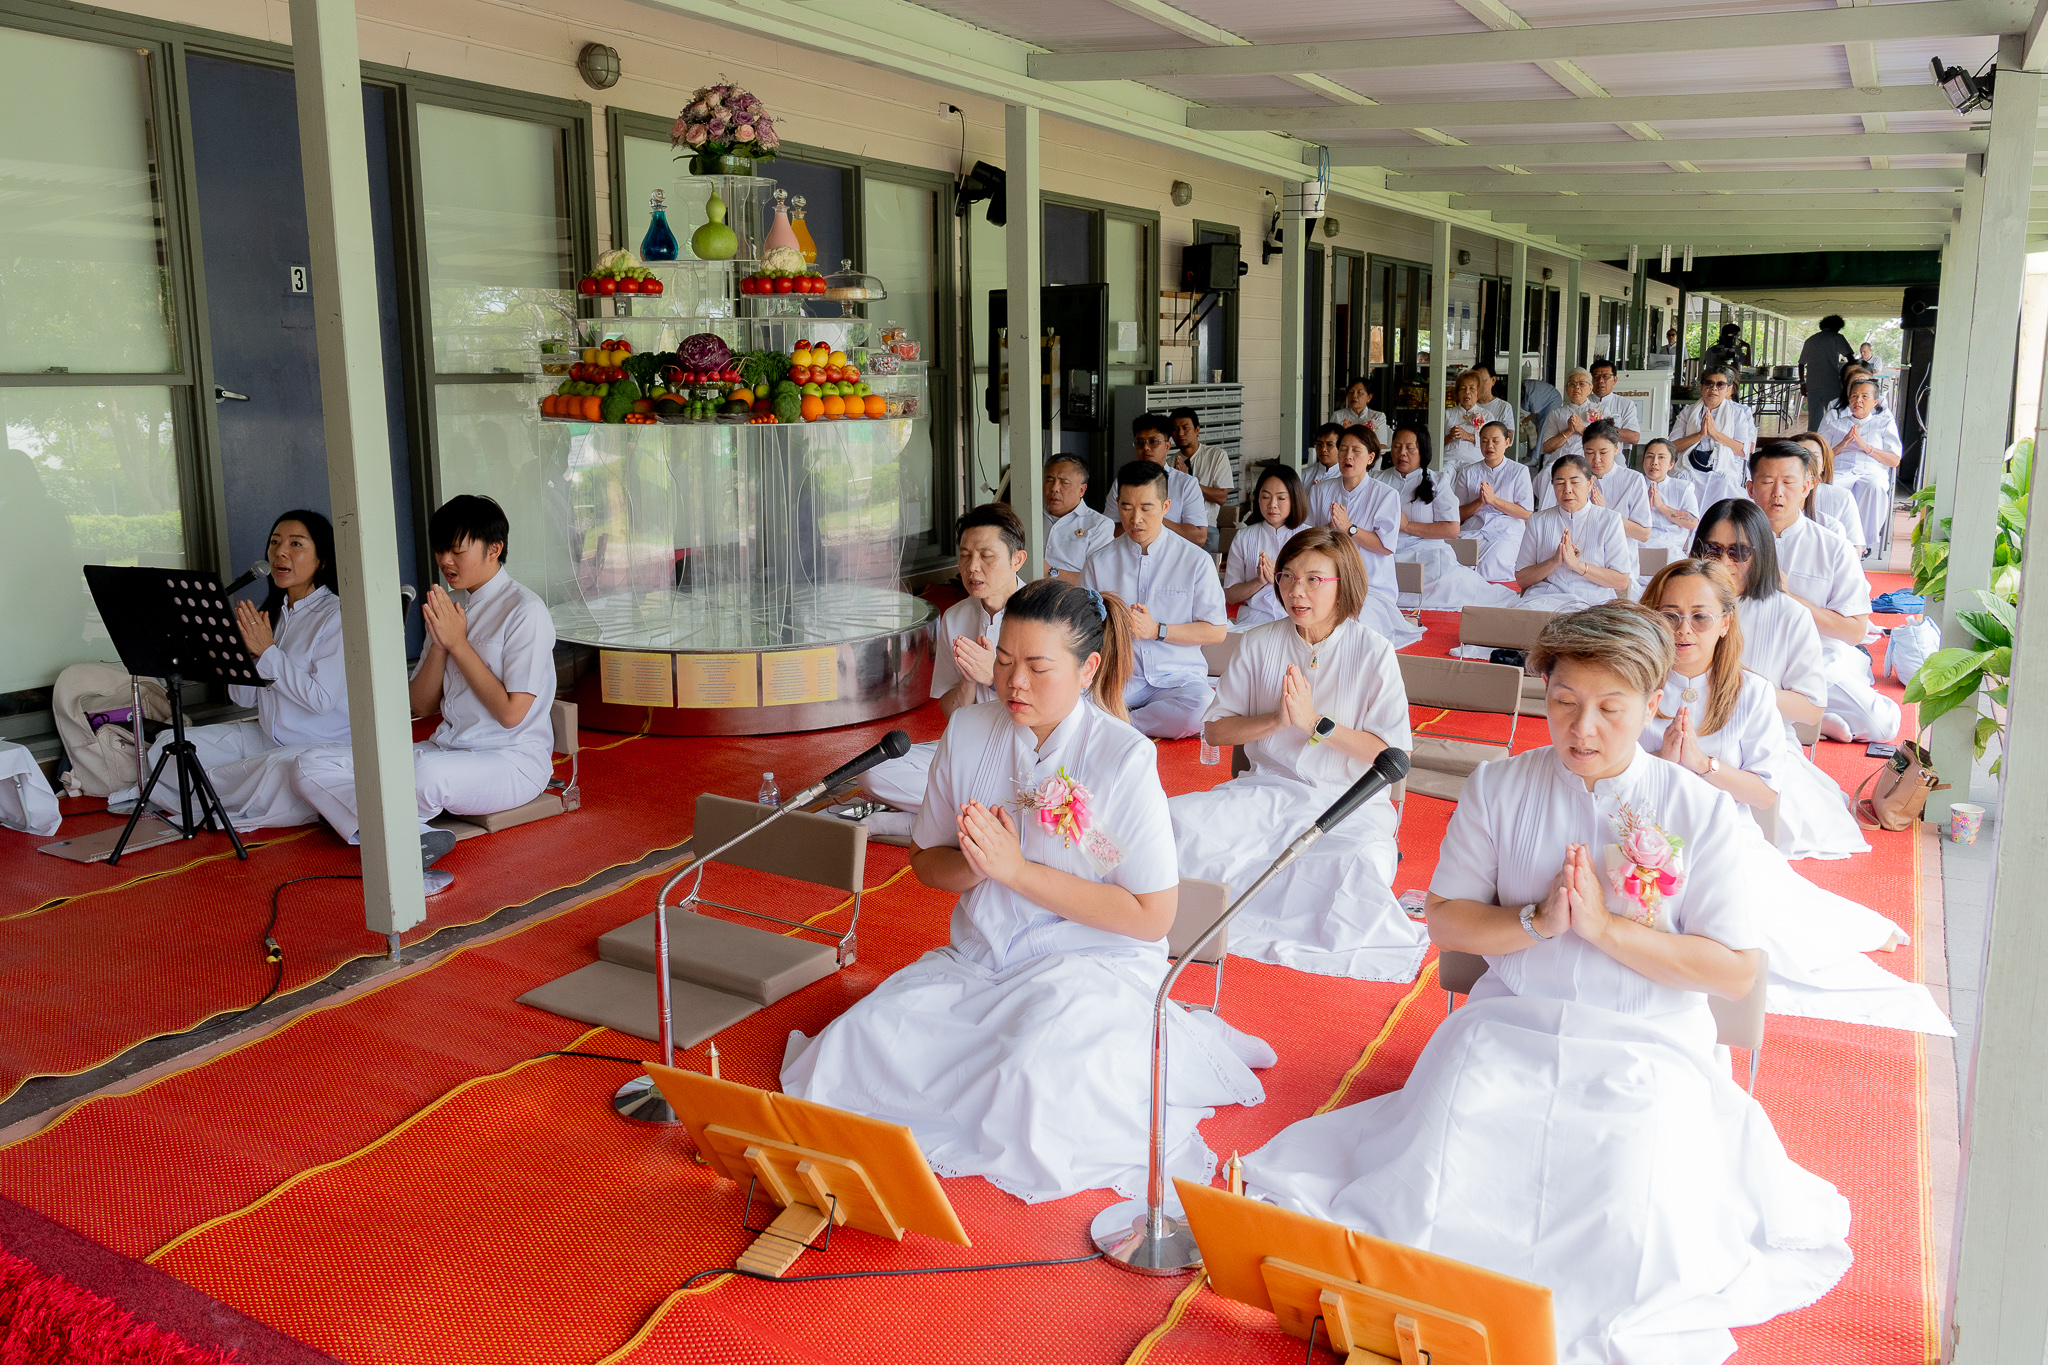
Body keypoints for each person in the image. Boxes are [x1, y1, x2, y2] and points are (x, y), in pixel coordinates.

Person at [1243, 602, 1854, 1365]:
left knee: (1626, 1191)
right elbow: (1447, 922)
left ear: (1654, 702)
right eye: (1564, 702)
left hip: (1649, 1047)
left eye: (1609, 708)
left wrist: (1606, 929)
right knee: (1447, 1155)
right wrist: (1536, 921)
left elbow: (1734, 970)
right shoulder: (1499, 786)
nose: (1582, 728)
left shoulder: (1699, 811)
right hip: (1509, 1026)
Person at [782, 578, 1270, 1203]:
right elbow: (926, 861)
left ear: (1088, 669)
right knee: (856, 1046)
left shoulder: (1123, 757)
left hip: (1090, 965)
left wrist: (1015, 871)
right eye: (1005, 661)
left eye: (1039, 668)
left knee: (1028, 1081)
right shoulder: (968, 731)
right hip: (982, 957)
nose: (1014, 683)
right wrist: (976, 867)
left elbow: (1153, 917)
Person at [1640, 561, 1949, 1033]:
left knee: (1772, 945)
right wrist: (1657, 764)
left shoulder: (1751, 693)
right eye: (1670, 615)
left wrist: (1703, 765)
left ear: (1724, 623)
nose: (1684, 630)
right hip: (1640, 830)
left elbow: (1765, 793)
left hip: (1724, 835)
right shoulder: (1632, 684)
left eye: (1700, 617)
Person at [1170, 528, 1424, 981]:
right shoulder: (1258, 642)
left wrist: (1315, 724)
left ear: (1343, 584)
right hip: (1266, 792)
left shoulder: (1374, 650)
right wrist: (1276, 721)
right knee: (1175, 823)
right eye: (1287, 576)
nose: (1296, 591)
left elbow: (1393, 756)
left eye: (1313, 579)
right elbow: (1215, 729)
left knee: (1353, 871)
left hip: (1347, 805)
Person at [292, 495, 556, 893]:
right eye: (440, 550)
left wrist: (458, 644)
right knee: (309, 763)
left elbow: (511, 714)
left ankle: (373, 825)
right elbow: (420, 704)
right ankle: (414, 838)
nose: (445, 561)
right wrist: (439, 646)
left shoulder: (525, 611)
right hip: (446, 749)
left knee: (420, 777)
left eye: (456, 551)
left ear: (494, 549)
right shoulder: (451, 605)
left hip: (510, 758)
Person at [113, 510, 347, 830]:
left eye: (296, 544)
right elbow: (244, 699)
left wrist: (268, 652)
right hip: (266, 739)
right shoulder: (273, 615)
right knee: (171, 746)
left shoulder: (336, 616)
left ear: (322, 560)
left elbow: (321, 700)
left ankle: (217, 796)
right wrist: (242, 657)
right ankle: (233, 795)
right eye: (275, 542)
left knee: (273, 772)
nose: (280, 552)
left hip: (317, 748)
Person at [857, 504, 1028, 831]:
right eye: (964, 555)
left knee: (1038, 791)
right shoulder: (957, 617)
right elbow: (951, 712)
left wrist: (995, 677)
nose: (972, 567)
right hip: (974, 746)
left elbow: (1057, 709)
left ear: (1017, 560)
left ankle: (922, 823)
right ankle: (977, 819)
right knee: (874, 770)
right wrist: (968, 683)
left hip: (1028, 752)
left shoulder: (1044, 614)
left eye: (986, 556)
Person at [1747, 443, 1900, 744]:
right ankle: (1808, 719)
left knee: (1882, 726)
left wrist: (1787, 598)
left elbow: (1854, 631)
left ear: (1807, 486)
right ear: (1751, 488)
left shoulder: (1833, 547)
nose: (1777, 493)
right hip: (1748, 657)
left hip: (1816, 660)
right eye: (1767, 482)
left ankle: (1800, 716)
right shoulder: (1731, 540)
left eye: (1788, 482)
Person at [1082, 461, 1228, 739]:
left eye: (1146, 508)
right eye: (1127, 507)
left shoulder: (1194, 561)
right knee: (1072, 700)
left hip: (1177, 677)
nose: (1135, 519)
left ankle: (1121, 723)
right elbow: (1083, 627)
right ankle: (1118, 718)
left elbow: (1216, 631)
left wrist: (1157, 630)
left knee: (1201, 708)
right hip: (1120, 678)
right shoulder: (1099, 562)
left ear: (1165, 506)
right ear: (1117, 504)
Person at [1378, 424, 1518, 611]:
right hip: (1385, 551)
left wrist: (1407, 526)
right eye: (1397, 446)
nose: (1402, 453)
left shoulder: (1436, 481)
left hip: (1427, 552)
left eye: (1410, 448)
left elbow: (1452, 529)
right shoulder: (1378, 480)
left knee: (1444, 577)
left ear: (1422, 451)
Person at [1306, 427, 1424, 647]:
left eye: (1356, 451)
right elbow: (1309, 537)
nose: (1348, 456)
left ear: (1370, 458)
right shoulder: (1320, 491)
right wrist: (1329, 528)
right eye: (1343, 449)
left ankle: (1397, 621)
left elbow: (1385, 547)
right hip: (1326, 581)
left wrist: (1349, 528)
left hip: (1371, 587)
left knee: (1351, 627)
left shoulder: (1385, 495)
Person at [1514, 453, 1636, 610]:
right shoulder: (1538, 521)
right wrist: (1554, 562)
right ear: (1552, 485)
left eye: (1575, 482)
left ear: (1590, 483)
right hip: (1545, 599)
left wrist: (1578, 565)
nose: (1567, 490)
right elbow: (1522, 579)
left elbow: (1621, 581)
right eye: (1560, 483)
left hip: (1594, 601)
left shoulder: (1610, 520)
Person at [1817, 376, 1901, 551]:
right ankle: (1833, 540)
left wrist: (1866, 447)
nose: (1858, 401)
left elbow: (1894, 460)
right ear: (1849, 399)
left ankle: (1862, 544)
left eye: (1864, 397)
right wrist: (1842, 444)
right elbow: (1820, 458)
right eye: (1854, 396)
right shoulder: (1836, 424)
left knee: (1874, 486)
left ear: (1875, 402)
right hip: (1841, 470)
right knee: (1827, 487)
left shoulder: (1884, 424)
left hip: (1871, 471)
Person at [1224, 464, 1307, 629]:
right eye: (1266, 497)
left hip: (1296, 620)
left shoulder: (1307, 537)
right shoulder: (1244, 537)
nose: (1272, 504)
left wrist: (1280, 576)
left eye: (1281, 498)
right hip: (1253, 621)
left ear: (1294, 499)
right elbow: (1231, 595)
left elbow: (1317, 589)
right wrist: (1259, 581)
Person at [1541, 421, 1650, 546]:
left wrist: (1605, 512)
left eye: (1603, 453)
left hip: (1620, 551)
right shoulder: (1572, 479)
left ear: (1616, 449)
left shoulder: (1633, 480)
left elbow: (1643, 534)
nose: (1596, 460)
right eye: (1590, 453)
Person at [1455, 420, 1534, 581]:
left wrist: (1494, 501)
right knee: (1455, 558)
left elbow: (1526, 513)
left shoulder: (1519, 471)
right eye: (1484, 441)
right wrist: (1480, 502)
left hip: (1506, 530)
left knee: (1492, 562)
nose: (1489, 446)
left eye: (1495, 441)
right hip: (1474, 529)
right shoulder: (1468, 472)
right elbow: (1457, 514)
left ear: (1507, 443)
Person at [1669, 364, 1757, 509]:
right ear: (1702, 387)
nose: (1714, 389)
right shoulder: (1688, 412)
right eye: (1709, 384)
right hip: (1690, 463)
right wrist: (1700, 435)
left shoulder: (1738, 413)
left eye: (1720, 385)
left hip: (1724, 466)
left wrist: (1715, 434)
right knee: (1682, 479)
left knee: (1723, 482)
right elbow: (1672, 447)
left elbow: (1743, 450)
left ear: (1728, 389)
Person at [1129, 413, 1208, 547]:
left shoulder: (1186, 484)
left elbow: (1199, 537)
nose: (1146, 448)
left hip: (1172, 553)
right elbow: (1109, 529)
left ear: (1167, 446)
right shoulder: (1123, 483)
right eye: (1140, 443)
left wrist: (1154, 519)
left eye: (1153, 442)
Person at [1169, 407, 1234, 554]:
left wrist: (1189, 480)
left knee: (1207, 557)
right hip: (1176, 529)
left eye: (1185, 428)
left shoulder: (1216, 456)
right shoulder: (1169, 463)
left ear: (1197, 429)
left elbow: (1222, 497)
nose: (1180, 433)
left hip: (1206, 529)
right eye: (1175, 429)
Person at [1040, 453, 1113, 583]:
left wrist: (1049, 572)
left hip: (1072, 594)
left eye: (1064, 482)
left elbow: (1099, 580)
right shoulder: (1030, 517)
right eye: (1049, 480)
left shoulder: (1099, 526)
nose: (1054, 488)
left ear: (1082, 490)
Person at [1788, 430, 1864, 553]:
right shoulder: (1777, 494)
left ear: (1823, 464)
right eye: (1799, 456)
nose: (1807, 462)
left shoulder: (1842, 497)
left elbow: (1854, 547)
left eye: (1814, 456)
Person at [1444, 368, 1513, 471]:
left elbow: (1492, 442)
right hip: (1449, 459)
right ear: (1457, 393)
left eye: (1472, 389)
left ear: (1478, 394)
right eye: (1463, 388)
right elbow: (1436, 443)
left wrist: (1467, 436)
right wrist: (1450, 436)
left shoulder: (1486, 415)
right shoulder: (1447, 414)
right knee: (1444, 475)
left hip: (1473, 460)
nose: (1467, 392)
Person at [1641, 437, 1702, 552]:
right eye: (1649, 456)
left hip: (1671, 548)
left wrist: (1661, 506)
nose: (1654, 462)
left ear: (1671, 464)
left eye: (1661, 457)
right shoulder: (1633, 485)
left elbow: (1692, 522)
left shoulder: (1683, 488)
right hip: (1638, 545)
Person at [1799, 315, 1855, 432]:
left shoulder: (1811, 340)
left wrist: (1803, 383)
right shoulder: (1836, 337)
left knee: (1814, 418)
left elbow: (1801, 364)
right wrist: (1851, 377)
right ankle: (1836, 438)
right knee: (1835, 415)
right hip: (1831, 383)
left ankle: (1813, 440)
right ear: (1837, 326)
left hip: (1812, 384)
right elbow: (1850, 358)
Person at [1536, 367, 1599, 464]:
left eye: (1582, 384)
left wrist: (1582, 429)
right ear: (1566, 388)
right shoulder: (1556, 413)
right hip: (1559, 463)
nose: (1577, 387)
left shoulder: (1600, 410)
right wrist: (1568, 431)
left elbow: (1606, 443)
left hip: (1588, 464)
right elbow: (1547, 448)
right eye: (1572, 384)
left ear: (1590, 389)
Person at [1587, 358, 1643, 446]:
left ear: (1615, 380)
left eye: (1605, 376)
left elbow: (1634, 437)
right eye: (1596, 376)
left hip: (1614, 453)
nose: (1601, 380)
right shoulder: (1584, 402)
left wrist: (1602, 430)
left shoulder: (1625, 404)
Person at [1328, 376, 1392, 450]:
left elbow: (1381, 445)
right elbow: (1331, 442)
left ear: (1369, 397)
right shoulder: (1338, 415)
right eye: (1351, 392)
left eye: (1359, 393)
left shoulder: (1377, 416)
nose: (1354, 396)